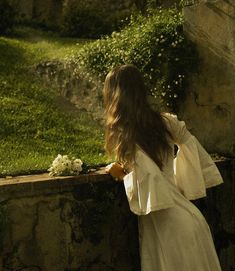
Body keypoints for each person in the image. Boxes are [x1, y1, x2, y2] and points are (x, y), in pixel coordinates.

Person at [103, 64, 223, 271]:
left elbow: (146, 176)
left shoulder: (124, 131)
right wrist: (185, 179)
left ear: (114, 94)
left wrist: (120, 175)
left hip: (168, 226)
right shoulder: (165, 122)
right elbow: (189, 144)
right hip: (190, 217)